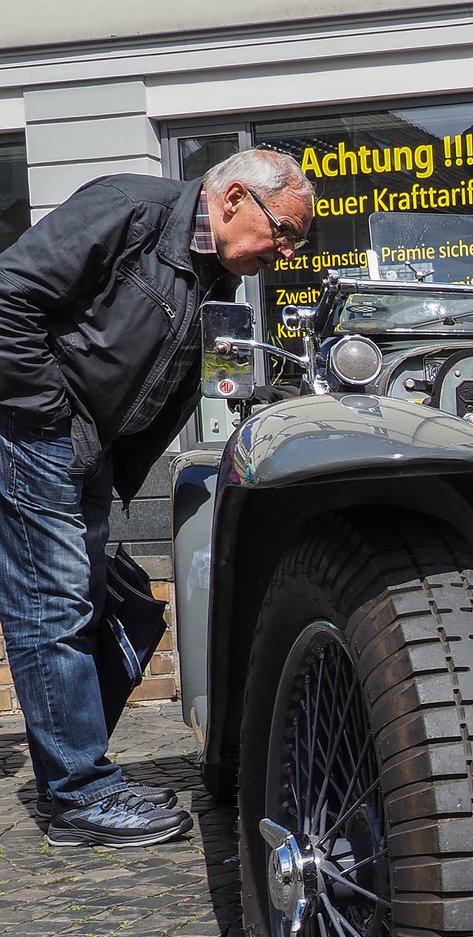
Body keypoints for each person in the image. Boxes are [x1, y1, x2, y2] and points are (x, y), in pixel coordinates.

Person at [0, 147, 314, 847]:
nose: (287, 252)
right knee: (54, 610)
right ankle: (79, 795)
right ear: (234, 199)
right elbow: (7, 296)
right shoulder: (128, 210)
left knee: (114, 610)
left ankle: (80, 773)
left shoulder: (217, 275)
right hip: (36, 435)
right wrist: (52, 416)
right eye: (284, 232)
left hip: (90, 451)